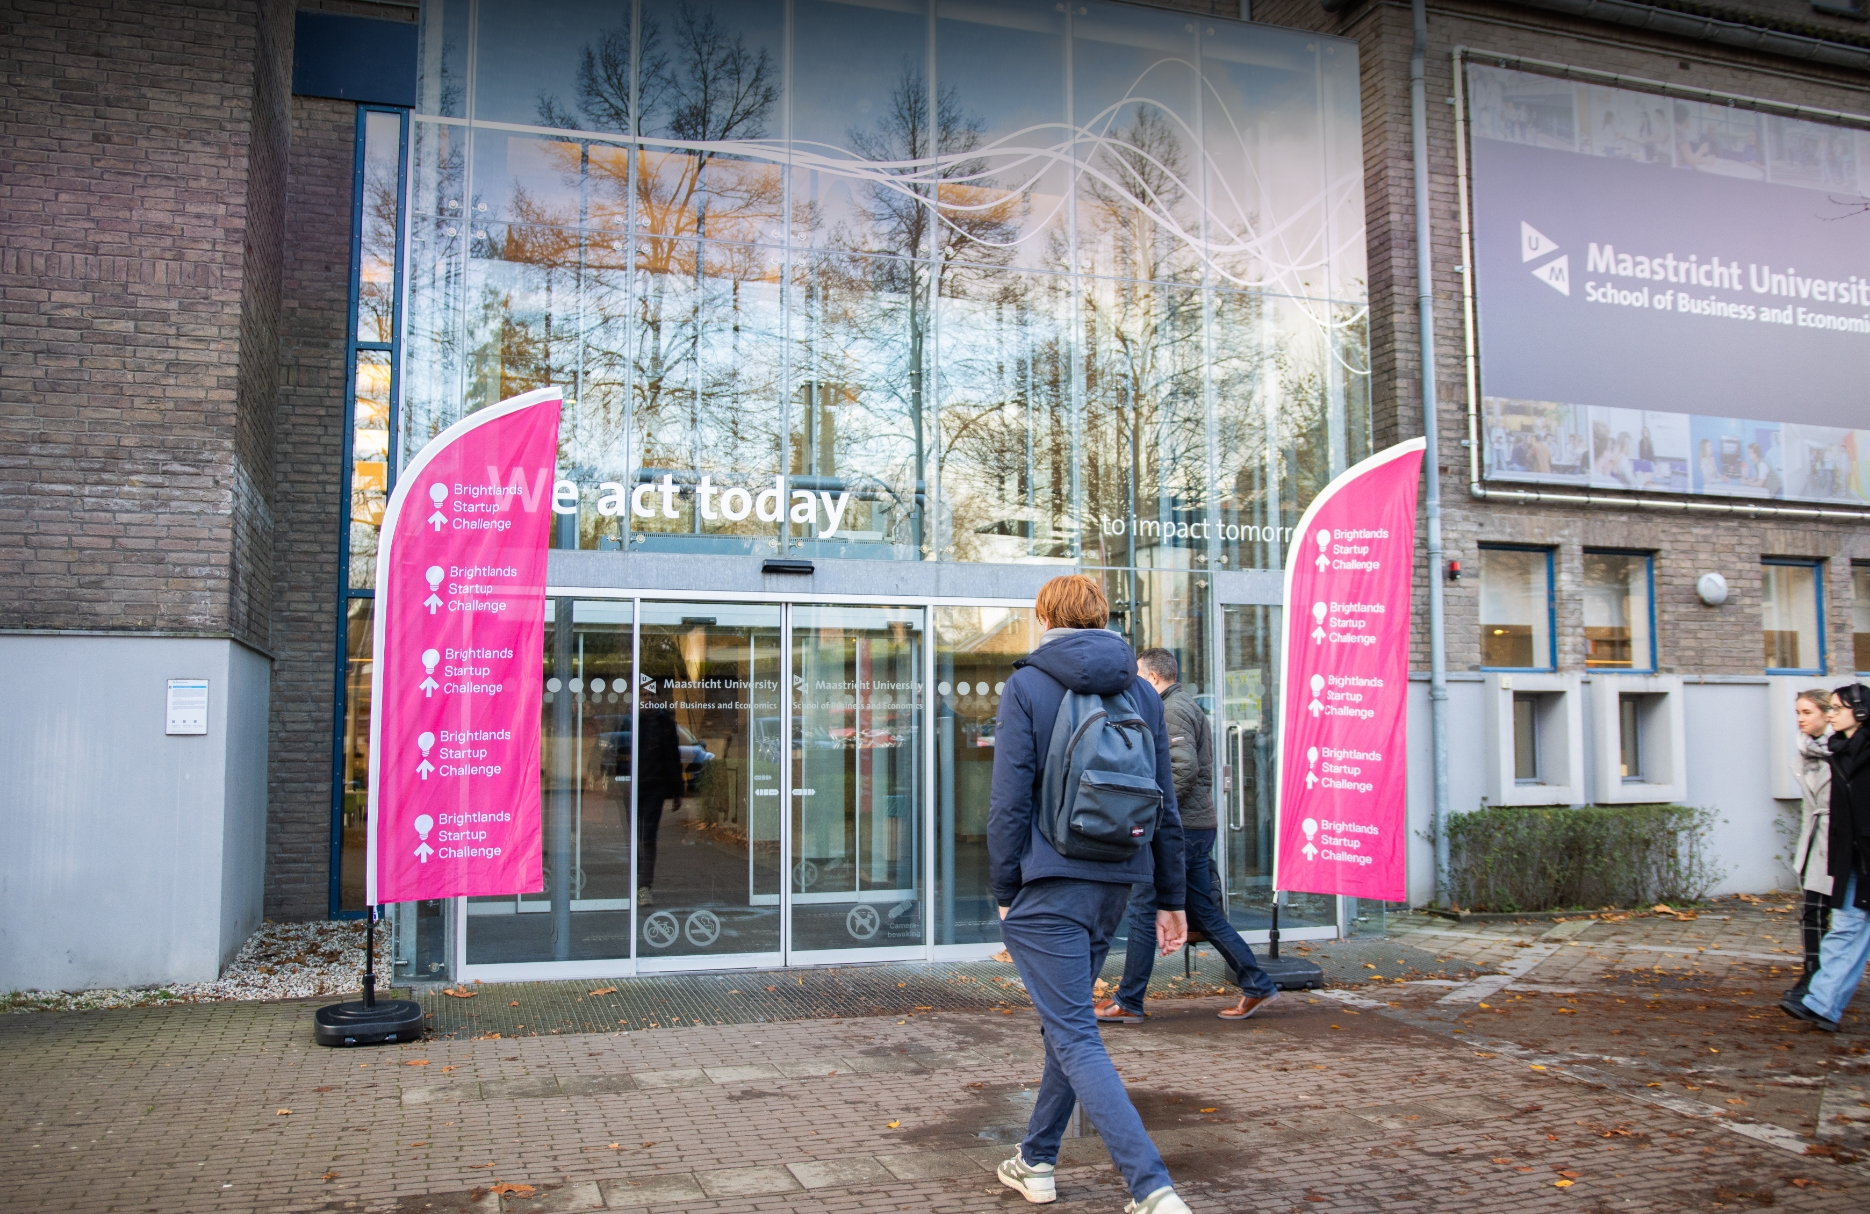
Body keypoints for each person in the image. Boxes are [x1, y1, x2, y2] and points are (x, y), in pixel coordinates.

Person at [989, 574, 1193, 1214]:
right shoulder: (1143, 691)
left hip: (1048, 884)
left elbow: (1008, 802)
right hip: (1114, 881)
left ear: (1045, 617)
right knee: (1068, 1023)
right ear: (1103, 618)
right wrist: (1171, 897)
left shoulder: (1028, 684)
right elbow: (1164, 805)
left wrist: (1005, 887)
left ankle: (1152, 1188)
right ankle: (1036, 1160)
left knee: (1076, 1035)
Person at [1096, 648, 1280, 1025]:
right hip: (1194, 827)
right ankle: (1257, 983)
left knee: (1144, 908)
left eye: (1137, 677)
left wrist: (1153, 814)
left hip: (1182, 829)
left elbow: (1182, 769)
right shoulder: (1179, 705)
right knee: (1204, 913)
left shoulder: (1172, 709)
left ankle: (1129, 1000)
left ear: (1152, 677)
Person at [1783, 683, 1870, 1032]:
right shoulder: (1839, 754)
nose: (1831, 714)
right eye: (1829, 708)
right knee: (1846, 928)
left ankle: (1821, 1001)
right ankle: (1821, 1003)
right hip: (1853, 860)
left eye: (1837, 708)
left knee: (1851, 930)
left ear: (1860, 712)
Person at [1788, 689, 1834, 1000]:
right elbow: (1809, 808)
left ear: (1827, 714)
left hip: (1841, 842)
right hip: (1815, 842)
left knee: (1846, 917)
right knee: (1812, 911)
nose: (1801, 719)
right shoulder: (1803, 753)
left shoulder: (1845, 750)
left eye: (1807, 712)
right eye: (1798, 713)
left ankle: (1827, 978)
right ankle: (1812, 972)